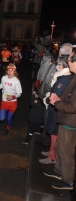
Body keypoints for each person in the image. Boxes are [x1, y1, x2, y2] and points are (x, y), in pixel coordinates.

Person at [43, 52, 76, 190]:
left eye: (69, 60)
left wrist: (56, 103)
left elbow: (73, 106)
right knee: (59, 147)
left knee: (66, 152)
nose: (68, 62)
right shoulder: (74, 77)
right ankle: (58, 171)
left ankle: (68, 181)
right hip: (65, 120)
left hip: (71, 122)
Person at [0, 63, 22, 135]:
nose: (9, 72)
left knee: (9, 118)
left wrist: (12, 97)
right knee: (2, 118)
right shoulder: (4, 78)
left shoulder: (16, 81)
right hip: (4, 101)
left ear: (14, 71)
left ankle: (8, 127)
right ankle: (6, 119)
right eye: (8, 70)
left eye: (11, 71)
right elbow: (2, 85)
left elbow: (19, 93)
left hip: (13, 103)